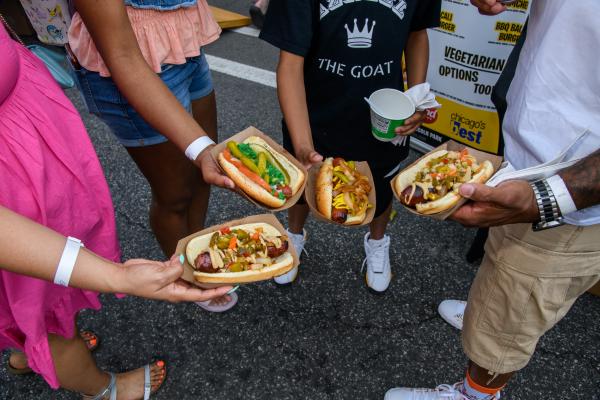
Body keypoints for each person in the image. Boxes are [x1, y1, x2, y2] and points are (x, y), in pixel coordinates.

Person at [0, 22, 231, 399]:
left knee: (39, 301)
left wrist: (201, 148)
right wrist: (117, 276)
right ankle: (102, 388)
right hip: (11, 202)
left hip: (28, 145)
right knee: (40, 307)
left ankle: (28, 349)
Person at [385, 0, 600, 399]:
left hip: (571, 198)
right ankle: (484, 309)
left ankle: (477, 392)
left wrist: (545, 199)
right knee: (502, 272)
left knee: (510, 321)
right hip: (528, 158)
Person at [259, 0, 441, 291]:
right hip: (313, 113)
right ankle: (294, 235)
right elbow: (290, 64)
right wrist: (303, 144)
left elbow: (417, 32)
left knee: (382, 182)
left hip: (385, 114)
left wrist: (417, 96)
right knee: (304, 184)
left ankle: (378, 242)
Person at [68, 0, 236, 311]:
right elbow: (121, 53)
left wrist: (203, 153)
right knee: (175, 195)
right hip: (129, 56)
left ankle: (199, 253)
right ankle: (188, 276)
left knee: (206, 173)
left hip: (186, 39)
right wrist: (200, 149)